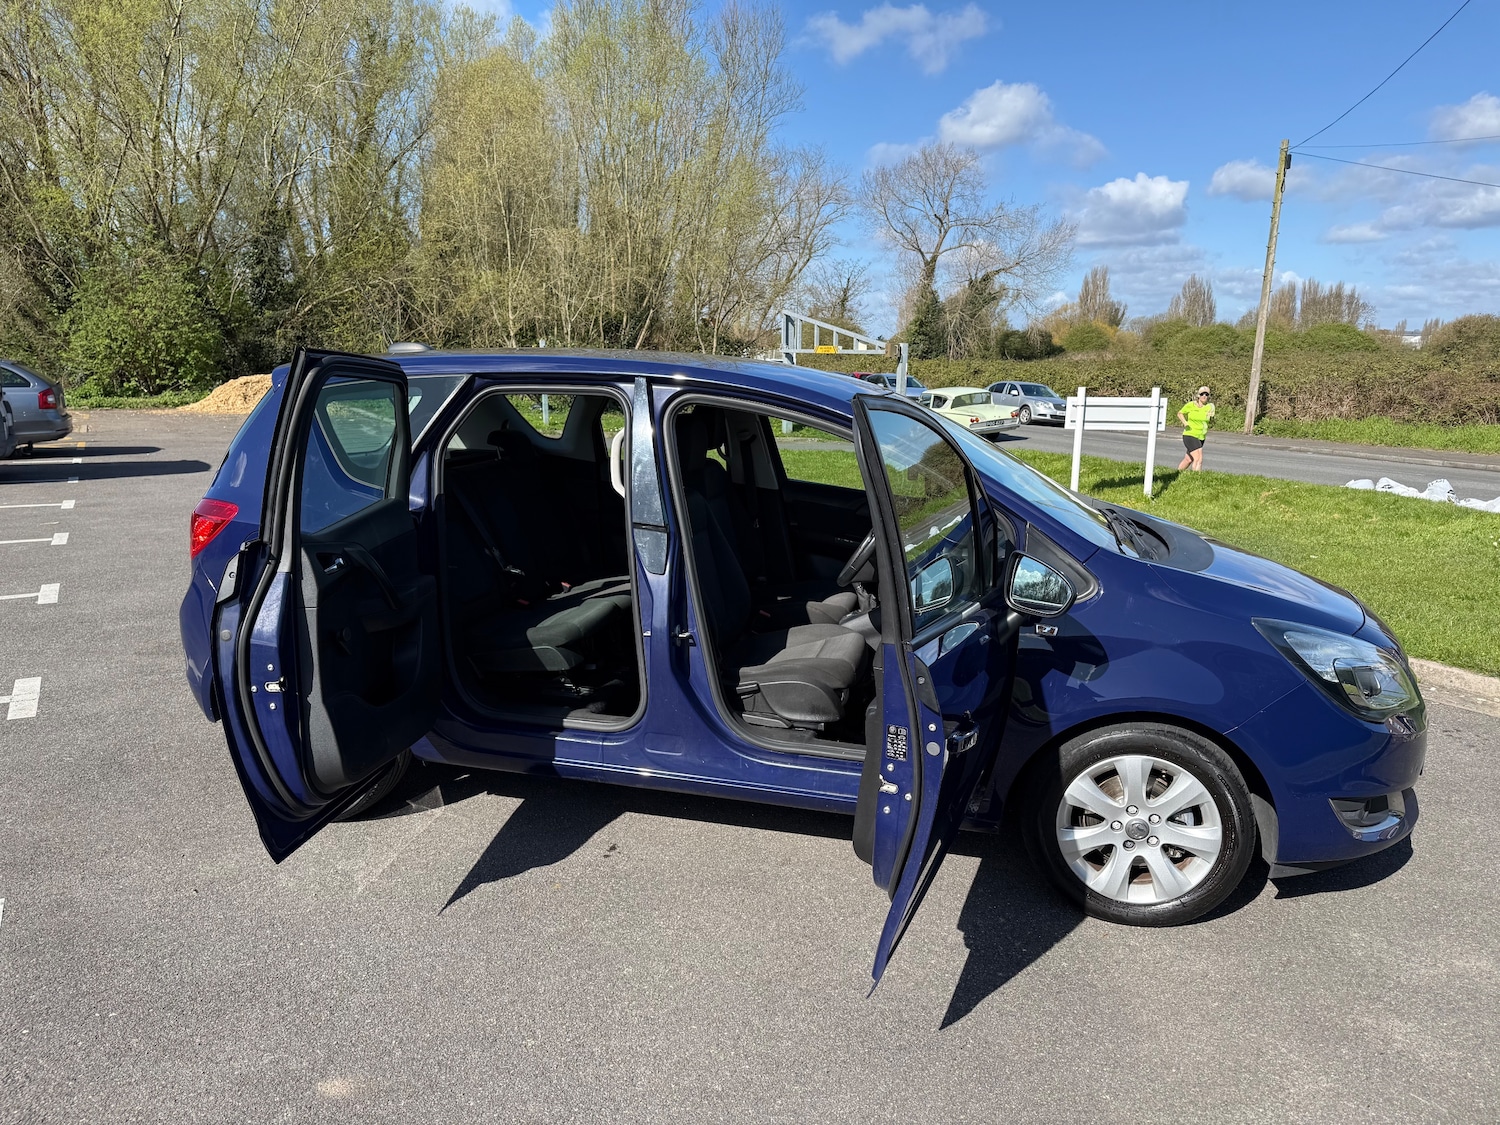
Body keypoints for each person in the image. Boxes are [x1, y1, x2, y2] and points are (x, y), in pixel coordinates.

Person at [1177, 386, 1215, 471]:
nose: (1204, 396)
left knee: (1188, 459)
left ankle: (1177, 474)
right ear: (1198, 395)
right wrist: (1185, 422)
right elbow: (1180, 413)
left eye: (1206, 394)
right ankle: (1196, 480)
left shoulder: (1210, 407)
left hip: (1201, 436)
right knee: (1198, 459)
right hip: (1190, 434)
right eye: (1202, 394)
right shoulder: (1191, 405)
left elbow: (1211, 418)